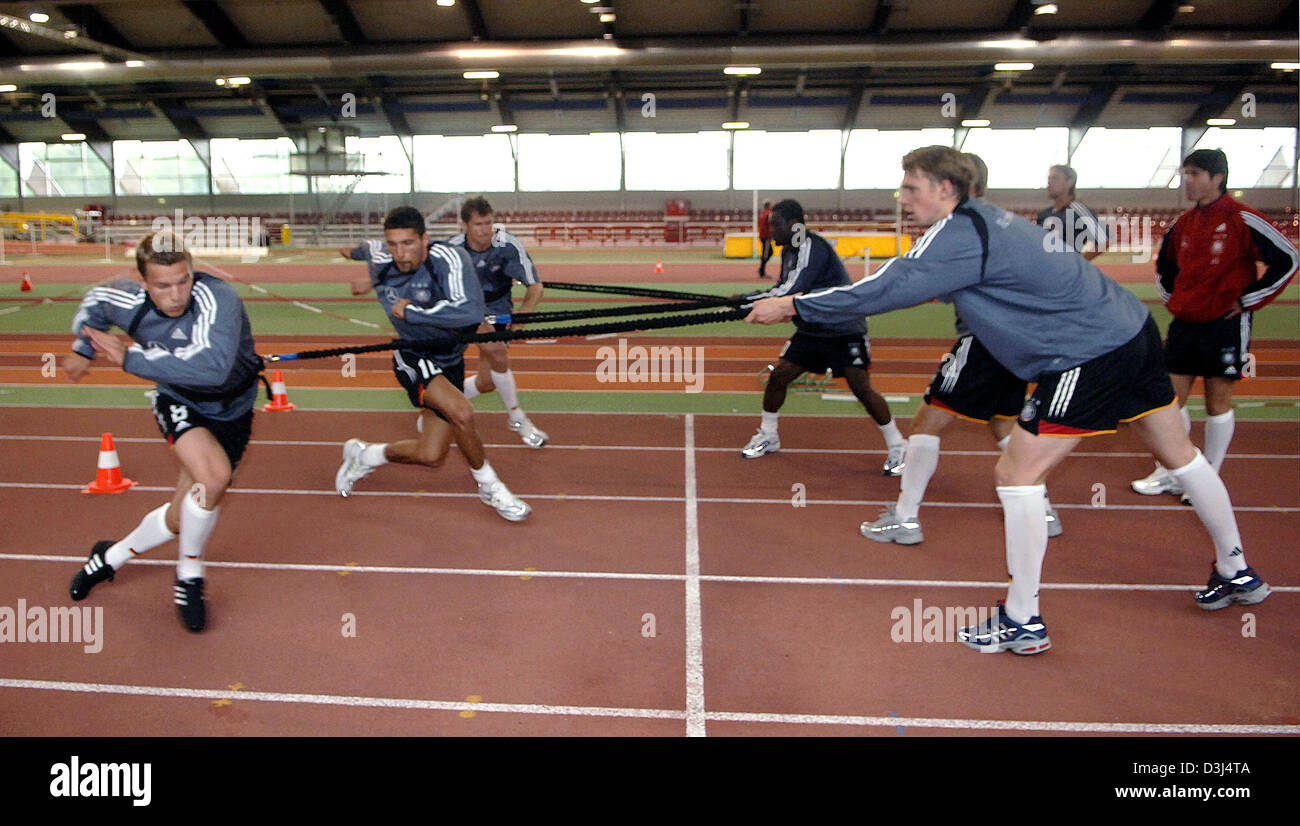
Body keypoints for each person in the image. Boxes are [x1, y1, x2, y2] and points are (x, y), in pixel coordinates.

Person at [746, 146, 1271, 655]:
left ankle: (1023, 620)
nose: (901, 196)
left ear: (945, 189)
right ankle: (1236, 568)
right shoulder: (985, 219)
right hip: (1130, 329)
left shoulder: (956, 233)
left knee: (1016, 474)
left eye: (911, 187)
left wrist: (792, 304)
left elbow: (889, 287)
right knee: (1178, 453)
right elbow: (932, 280)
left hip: (1085, 351)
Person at [63, 229, 263, 632]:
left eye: (183, 281)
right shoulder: (126, 298)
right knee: (215, 477)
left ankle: (109, 558)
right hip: (179, 401)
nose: (176, 295)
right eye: (163, 286)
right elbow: (96, 303)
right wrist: (82, 349)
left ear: (192, 273)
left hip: (233, 407)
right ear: (144, 284)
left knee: (180, 515)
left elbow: (213, 366)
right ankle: (189, 575)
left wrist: (133, 359)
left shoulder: (218, 298)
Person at [862, 153, 1062, 545]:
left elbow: (912, 281)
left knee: (928, 421)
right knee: (1004, 423)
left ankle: (905, 517)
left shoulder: (960, 229)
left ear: (951, 187)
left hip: (982, 340)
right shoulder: (1001, 223)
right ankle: (1043, 509)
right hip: (1013, 342)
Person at [334, 206, 530, 522]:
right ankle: (490, 487)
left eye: (408, 243)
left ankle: (365, 455)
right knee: (463, 412)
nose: (400, 252)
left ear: (426, 239)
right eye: (393, 244)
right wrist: (357, 262)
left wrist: (413, 311)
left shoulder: (450, 258)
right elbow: (368, 249)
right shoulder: (382, 258)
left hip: (449, 358)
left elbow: (469, 313)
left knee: (430, 454)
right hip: (413, 355)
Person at [1131, 148, 1298, 501]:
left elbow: (1288, 258)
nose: (1186, 180)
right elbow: (1165, 267)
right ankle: (1172, 471)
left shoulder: (1243, 218)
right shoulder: (1183, 223)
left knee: (1216, 402)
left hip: (1224, 325)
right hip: (1185, 324)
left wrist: (1247, 299)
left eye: (1194, 173)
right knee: (1167, 401)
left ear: (1216, 177)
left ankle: (1208, 477)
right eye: (1185, 173)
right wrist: (1174, 299)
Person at [739, 198, 907, 475]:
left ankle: (898, 444)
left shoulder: (809, 245)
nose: (771, 232)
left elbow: (792, 290)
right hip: (813, 328)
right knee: (780, 376)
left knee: (860, 387)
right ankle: (769, 435)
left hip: (844, 326)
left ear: (793, 224)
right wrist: (747, 300)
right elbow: (784, 286)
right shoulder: (790, 250)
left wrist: (747, 301)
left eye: (776, 225)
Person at [445, 196, 548, 448]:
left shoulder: (507, 244)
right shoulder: (452, 249)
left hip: (500, 310)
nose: (485, 230)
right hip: (466, 310)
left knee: (488, 381)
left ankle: (441, 406)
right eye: (479, 224)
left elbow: (535, 287)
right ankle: (516, 416)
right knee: (499, 355)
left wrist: (524, 312)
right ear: (465, 225)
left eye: (488, 223)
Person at [1037, 164, 1107, 260]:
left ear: (1069, 182)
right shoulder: (1044, 214)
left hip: (1065, 273)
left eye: (1055, 178)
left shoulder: (1079, 211)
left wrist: (1079, 263)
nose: (1049, 182)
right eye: (1048, 178)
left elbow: (1105, 240)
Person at [757, 200, 774, 278]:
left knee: (767, 253)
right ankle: (762, 271)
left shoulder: (762, 213)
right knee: (767, 253)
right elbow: (770, 224)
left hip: (762, 235)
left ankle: (761, 269)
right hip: (766, 236)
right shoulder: (769, 214)